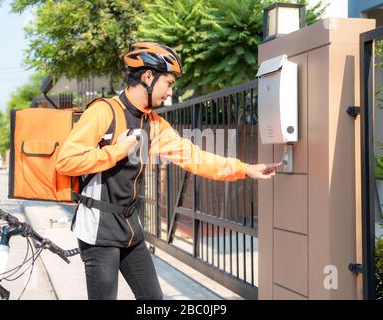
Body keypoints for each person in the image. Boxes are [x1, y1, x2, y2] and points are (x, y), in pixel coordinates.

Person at [55, 42, 282, 300]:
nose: (170, 92)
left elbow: (194, 157)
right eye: (169, 83)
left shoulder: (154, 124)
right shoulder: (104, 111)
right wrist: (116, 151)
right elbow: (66, 161)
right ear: (148, 77)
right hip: (98, 230)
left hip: (131, 228)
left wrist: (245, 169)